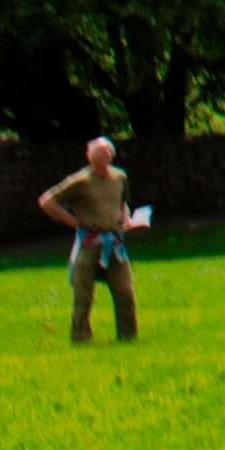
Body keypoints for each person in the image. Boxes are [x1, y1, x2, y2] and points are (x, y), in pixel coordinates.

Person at [35, 136, 144, 344]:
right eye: (99, 152)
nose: (105, 155)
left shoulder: (120, 177)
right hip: (89, 244)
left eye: (107, 151)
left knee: (125, 292)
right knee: (83, 295)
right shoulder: (80, 181)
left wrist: (127, 219)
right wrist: (73, 222)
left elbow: (123, 203)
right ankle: (81, 337)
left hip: (115, 245)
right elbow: (47, 201)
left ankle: (128, 337)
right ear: (89, 156)